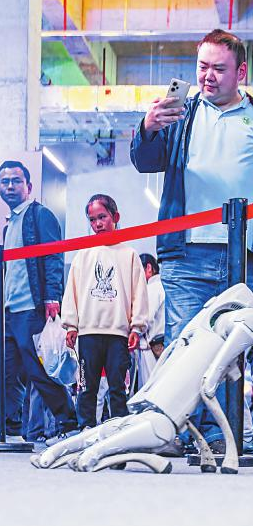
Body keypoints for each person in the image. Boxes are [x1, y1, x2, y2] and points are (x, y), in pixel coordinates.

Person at [130, 29, 253, 448]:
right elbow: (144, 162)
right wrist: (148, 128)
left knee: (228, 351)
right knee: (183, 344)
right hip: (185, 251)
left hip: (243, 253)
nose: (207, 76)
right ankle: (173, 431)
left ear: (241, 72)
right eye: (202, 66)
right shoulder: (179, 114)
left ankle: (219, 436)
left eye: (219, 68)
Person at [1, 160, 78, 442]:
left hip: (31, 309)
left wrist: (51, 297)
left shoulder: (39, 215)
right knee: (8, 372)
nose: (10, 186)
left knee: (39, 371)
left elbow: (54, 257)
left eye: (16, 181)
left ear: (29, 186)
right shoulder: (9, 225)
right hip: (10, 311)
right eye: (5, 181)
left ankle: (69, 422)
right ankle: (11, 427)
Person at [62, 194, 149, 429]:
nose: (98, 224)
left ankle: (119, 429)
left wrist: (136, 327)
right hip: (88, 332)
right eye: (92, 219)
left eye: (102, 217)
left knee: (117, 387)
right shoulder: (83, 254)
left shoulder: (129, 254)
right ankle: (85, 428)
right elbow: (72, 291)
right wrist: (71, 325)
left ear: (115, 216)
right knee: (86, 386)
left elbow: (139, 292)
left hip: (118, 334)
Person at [137, 253, 165, 389]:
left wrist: (133, 331)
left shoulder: (152, 288)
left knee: (149, 390)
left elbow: (144, 320)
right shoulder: (163, 286)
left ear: (148, 268)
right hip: (160, 345)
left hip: (151, 346)